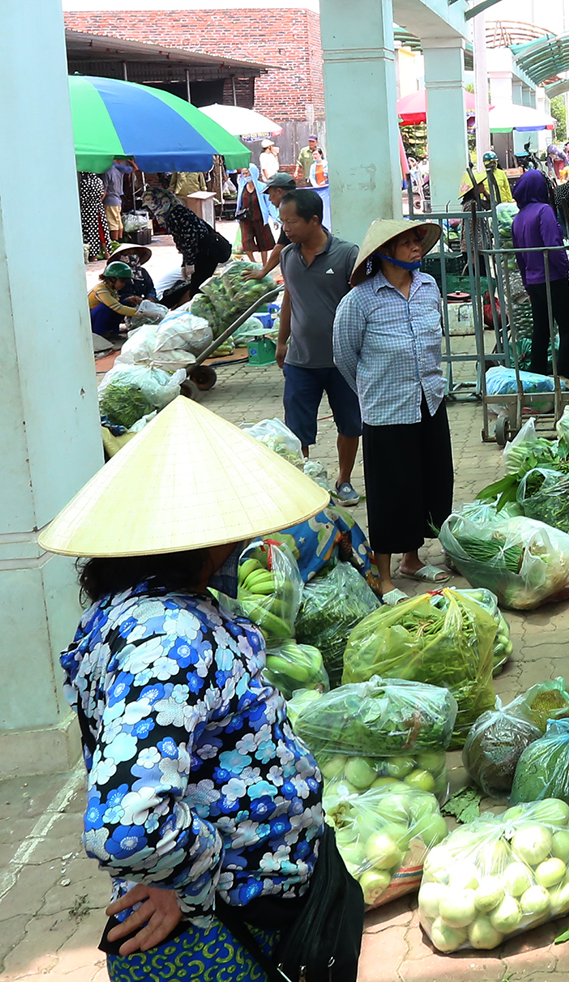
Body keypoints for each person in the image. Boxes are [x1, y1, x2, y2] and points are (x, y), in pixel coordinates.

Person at [42, 396, 339, 979]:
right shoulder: (166, 635)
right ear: (204, 542)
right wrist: (196, 879)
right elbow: (126, 826)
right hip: (217, 935)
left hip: (234, 915)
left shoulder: (143, 606)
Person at [332, 219, 453, 591]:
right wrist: (374, 389)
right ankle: (384, 578)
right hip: (387, 411)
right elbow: (343, 356)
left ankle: (411, 561)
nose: (417, 247)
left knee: (430, 481)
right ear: (383, 254)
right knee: (390, 492)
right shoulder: (360, 301)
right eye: (406, 243)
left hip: (429, 401)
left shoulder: (429, 288)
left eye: (417, 241)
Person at [274, 188, 364, 507]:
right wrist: (282, 341)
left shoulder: (346, 254)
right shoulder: (288, 256)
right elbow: (289, 299)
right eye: (283, 221)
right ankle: (306, 484)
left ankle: (344, 480)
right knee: (297, 429)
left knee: (350, 424)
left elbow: (362, 303)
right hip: (300, 360)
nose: (285, 228)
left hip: (343, 362)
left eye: (292, 221)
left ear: (314, 221)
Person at [510, 168, 569, 380]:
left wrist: (528, 285)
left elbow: (519, 258)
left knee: (541, 331)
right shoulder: (544, 211)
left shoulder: (518, 218)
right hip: (554, 278)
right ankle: (562, 380)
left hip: (534, 282)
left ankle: (537, 378)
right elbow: (554, 247)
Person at [142, 185, 236, 306]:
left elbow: (190, 239)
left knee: (198, 289)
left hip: (205, 254)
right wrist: (185, 263)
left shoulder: (177, 213)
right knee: (196, 287)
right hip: (201, 253)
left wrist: (189, 262)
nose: (151, 209)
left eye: (151, 205)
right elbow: (182, 241)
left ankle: (201, 313)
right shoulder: (171, 213)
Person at [89, 262, 143, 343]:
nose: (124, 284)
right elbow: (116, 307)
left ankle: (112, 332)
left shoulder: (111, 289)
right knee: (106, 307)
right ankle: (99, 334)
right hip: (91, 321)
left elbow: (117, 302)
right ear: (112, 279)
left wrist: (128, 300)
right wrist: (141, 313)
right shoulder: (101, 289)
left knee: (124, 302)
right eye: (122, 281)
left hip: (99, 317)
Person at [104, 156, 138, 243]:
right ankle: (120, 240)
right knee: (118, 222)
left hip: (110, 200)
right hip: (118, 199)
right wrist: (128, 160)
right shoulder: (120, 170)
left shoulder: (107, 171)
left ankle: (114, 242)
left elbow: (104, 190)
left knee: (112, 223)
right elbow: (135, 168)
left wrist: (100, 201)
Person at [80, 169, 112, 261]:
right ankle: (107, 252)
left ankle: (93, 255)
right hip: (99, 208)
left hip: (88, 210)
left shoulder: (85, 182)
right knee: (102, 230)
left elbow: (83, 197)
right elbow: (102, 193)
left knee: (90, 232)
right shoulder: (99, 181)